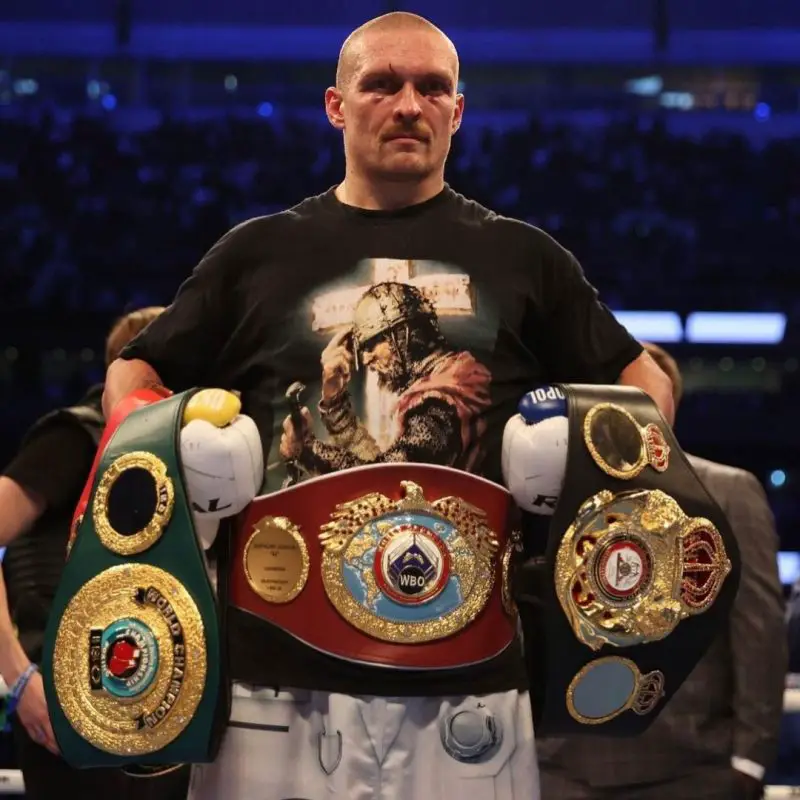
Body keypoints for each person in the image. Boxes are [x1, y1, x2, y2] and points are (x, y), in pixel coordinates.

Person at [101, 12, 674, 800]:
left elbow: (645, 385)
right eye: (382, 84)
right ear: (336, 106)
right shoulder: (256, 254)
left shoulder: (521, 259)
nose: (409, 104)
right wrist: (167, 451)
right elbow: (133, 371)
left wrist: (590, 468)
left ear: (457, 111)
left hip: (468, 672)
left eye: (432, 88)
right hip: (274, 669)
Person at [537, 341, 788, 800]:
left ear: (668, 403)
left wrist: (750, 757)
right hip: (561, 767)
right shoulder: (547, 492)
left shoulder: (727, 492)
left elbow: (759, 630)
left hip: (690, 766)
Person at [0, 306, 189, 799]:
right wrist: (19, 680)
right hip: (62, 713)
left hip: (145, 706)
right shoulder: (75, 438)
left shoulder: (166, 453)